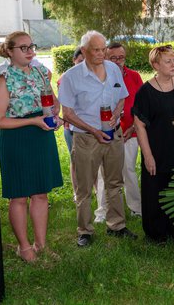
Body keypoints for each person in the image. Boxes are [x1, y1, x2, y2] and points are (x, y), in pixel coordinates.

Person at [0, 31, 62, 261]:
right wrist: (33, 121)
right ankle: (24, 247)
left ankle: (40, 244)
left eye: (32, 46)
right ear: (9, 51)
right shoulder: (3, 80)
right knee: (19, 196)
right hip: (16, 140)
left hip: (42, 136)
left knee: (40, 194)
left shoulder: (41, 71)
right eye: (24, 48)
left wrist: (55, 115)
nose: (30, 51)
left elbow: (51, 98)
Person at [59, 30, 137, 247]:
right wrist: (93, 130)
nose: (102, 53)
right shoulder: (71, 77)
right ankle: (85, 231)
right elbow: (68, 114)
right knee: (84, 188)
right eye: (96, 50)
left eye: (104, 49)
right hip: (86, 138)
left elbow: (122, 98)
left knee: (115, 182)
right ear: (84, 51)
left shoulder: (113, 69)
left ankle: (117, 226)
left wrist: (116, 114)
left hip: (113, 135)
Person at [133, 46, 174, 242]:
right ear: (155, 65)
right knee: (158, 189)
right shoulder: (146, 92)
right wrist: (147, 156)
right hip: (159, 151)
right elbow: (139, 126)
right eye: (168, 61)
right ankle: (158, 233)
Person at [102, 42, 143, 217]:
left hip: (130, 132)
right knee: (104, 174)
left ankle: (135, 208)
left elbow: (143, 106)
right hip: (105, 132)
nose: (118, 61)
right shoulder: (101, 75)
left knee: (128, 170)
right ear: (105, 57)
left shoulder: (134, 76)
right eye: (113, 58)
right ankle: (103, 211)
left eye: (121, 57)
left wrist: (133, 127)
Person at [59, 47, 84, 201]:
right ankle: (77, 192)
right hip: (71, 126)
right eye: (80, 61)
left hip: (89, 127)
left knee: (92, 161)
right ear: (74, 61)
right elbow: (64, 104)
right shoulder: (66, 78)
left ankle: (95, 188)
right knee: (75, 160)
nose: (82, 64)